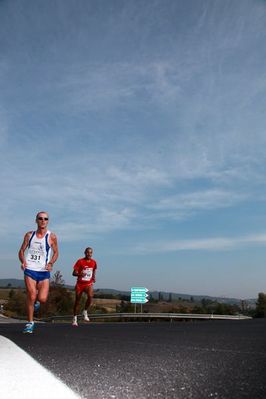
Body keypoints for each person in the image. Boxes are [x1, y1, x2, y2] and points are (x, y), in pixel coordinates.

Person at [18, 211, 58, 333]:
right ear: (36, 220)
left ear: (48, 221)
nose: (43, 221)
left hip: (43, 271)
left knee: (42, 299)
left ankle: (37, 303)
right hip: (30, 269)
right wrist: (23, 261)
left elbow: (56, 252)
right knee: (31, 294)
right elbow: (21, 250)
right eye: (40, 218)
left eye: (45, 219)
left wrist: (51, 263)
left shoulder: (52, 236)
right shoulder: (29, 235)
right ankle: (30, 323)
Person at [72, 247, 97, 326]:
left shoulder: (94, 262)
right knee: (77, 301)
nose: (89, 254)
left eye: (90, 253)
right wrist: (80, 274)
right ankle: (74, 318)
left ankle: (85, 311)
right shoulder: (80, 261)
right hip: (80, 284)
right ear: (85, 253)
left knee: (90, 296)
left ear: (92, 253)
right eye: (87, 252)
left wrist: (93, 277)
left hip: (88, 283)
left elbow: (94, 270)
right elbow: (73, 273)